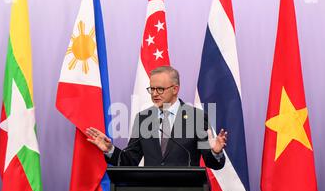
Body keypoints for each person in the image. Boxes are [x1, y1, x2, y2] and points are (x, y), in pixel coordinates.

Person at [86, 66, 227, 169]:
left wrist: (216, 152)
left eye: (159, 89)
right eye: (152, 89)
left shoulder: (197, 117)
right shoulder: (143, 119)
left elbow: (213, 163)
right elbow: (129, 161)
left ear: (175, 89)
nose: (154, 94)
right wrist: (110, 149)